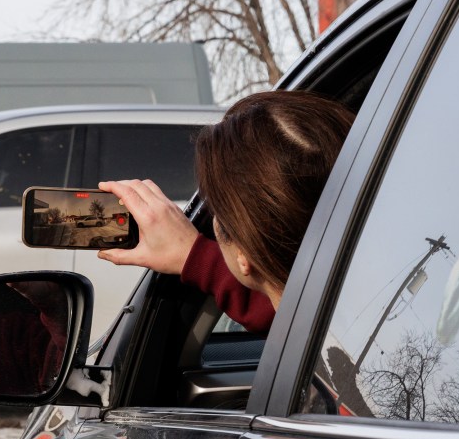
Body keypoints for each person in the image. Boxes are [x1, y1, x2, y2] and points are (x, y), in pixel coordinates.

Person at [98, 90, 355, 330]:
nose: (214, 220)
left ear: (244, 254)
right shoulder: (362, 316)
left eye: (216, 209)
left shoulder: (313, 361)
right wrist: (193, 256)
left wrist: (196, 257)